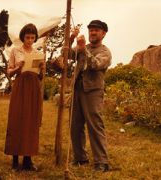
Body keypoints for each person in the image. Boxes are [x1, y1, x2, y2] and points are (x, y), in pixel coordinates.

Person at [64, 20, 112, 172]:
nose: (92, 32)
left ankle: (102, 162)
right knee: (75, 126)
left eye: (96, 30)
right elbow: (65, 54)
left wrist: (83, 49)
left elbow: (95, 65)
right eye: (91, 30)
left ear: (103, 34)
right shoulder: (82, 47)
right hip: (77, 89)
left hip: (93, 91)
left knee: (95, 125)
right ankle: (80, 158)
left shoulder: (105, 52)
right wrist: (71, 38)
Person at [4, 23, 46, 171]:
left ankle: (28, 159)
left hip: (34, 87)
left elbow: (41, 77)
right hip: (20, 85)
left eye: (32, 37)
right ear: (23, 37)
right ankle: (15, 160)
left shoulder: (38, 53)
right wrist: (17, 67)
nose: (29, 40)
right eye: (27, 37)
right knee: (17, 119)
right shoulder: (15, 51)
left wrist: (41, 69)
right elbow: (8, 72)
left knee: (31, 121)